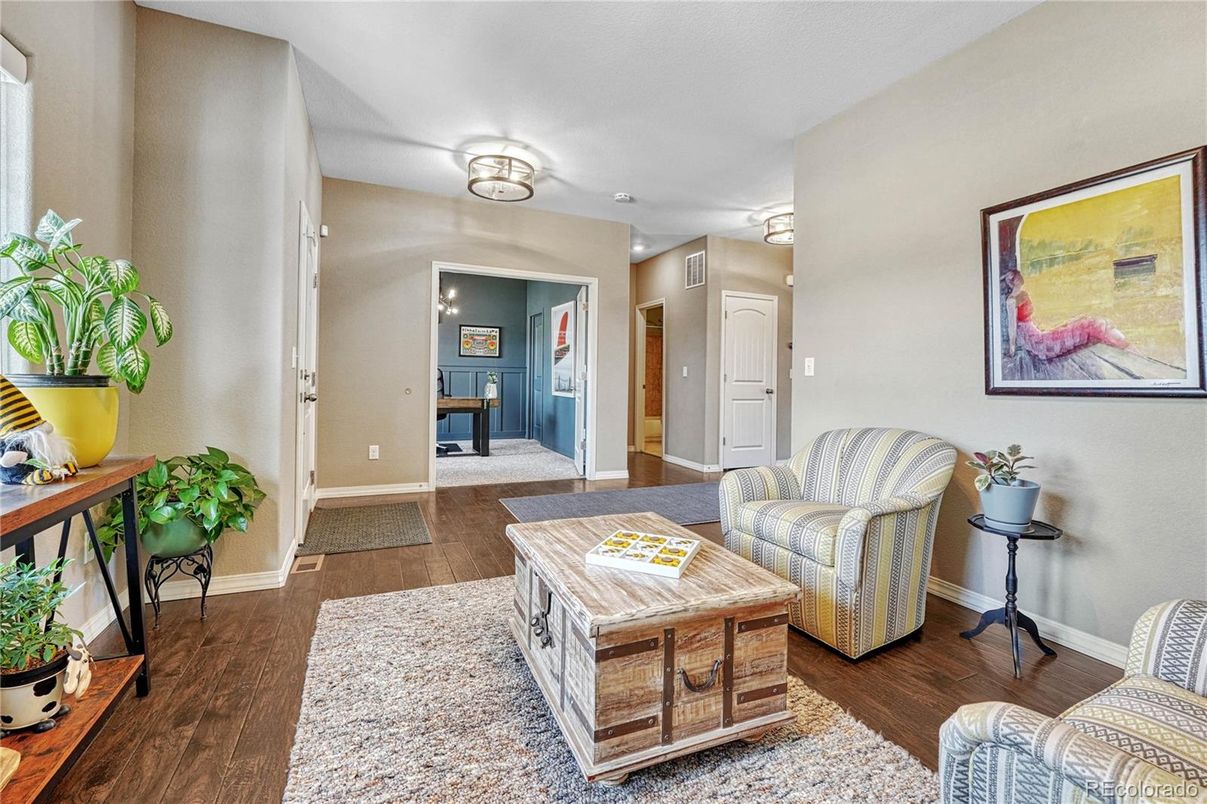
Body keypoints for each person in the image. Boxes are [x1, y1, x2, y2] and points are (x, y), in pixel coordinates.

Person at [1002, 268, 1129, 360]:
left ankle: (1121, 343)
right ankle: (1124, 345)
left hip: (1035, 332)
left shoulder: (1023, 294)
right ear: (1013, 281)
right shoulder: (1011, 300)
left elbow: (1027, 320)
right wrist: (1012, 350)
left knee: (1083, 322)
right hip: (1035, 341)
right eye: (1017, 277)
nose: (1019, 279)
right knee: (1088, 325)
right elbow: (1012, 327)